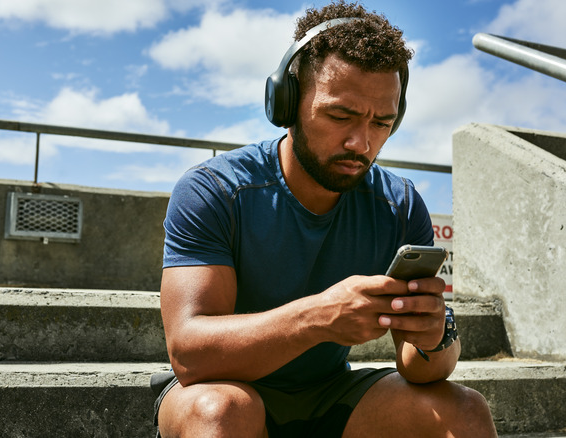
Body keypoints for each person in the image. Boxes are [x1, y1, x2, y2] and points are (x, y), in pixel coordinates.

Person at [153, 1, 498, 436]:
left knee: (464, 410)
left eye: (382, 123)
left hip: (331, 393)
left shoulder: (401, 204)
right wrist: (319, 317)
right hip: (222, 389)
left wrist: (435, 336)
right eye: (341, 115)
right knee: (219, 411)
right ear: (287, 101)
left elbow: (423, 371)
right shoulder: (214, 190)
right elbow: (190, 355)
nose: (362, 142)